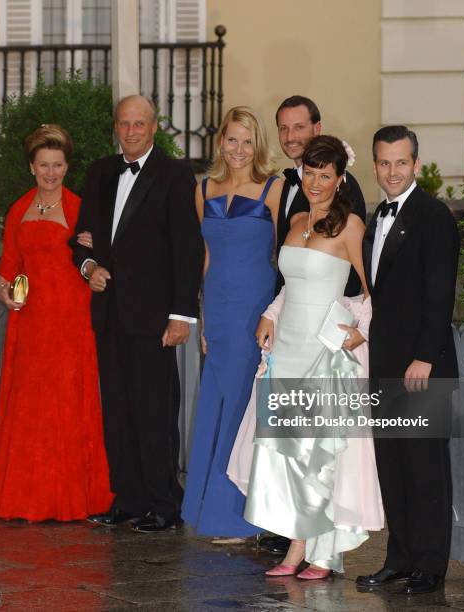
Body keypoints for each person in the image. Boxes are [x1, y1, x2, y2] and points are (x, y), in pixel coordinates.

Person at [230, 135, 383, 579]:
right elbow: (289, 285)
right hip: (287, 349)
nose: (316, 182)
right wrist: (269, 315)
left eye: (326, 175)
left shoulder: (351, 226)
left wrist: (362, 332)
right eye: (310, 173)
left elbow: (373, 290)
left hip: (324, 352)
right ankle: (296, 547)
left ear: (340, 179)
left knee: (318, 452)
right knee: (286, 451)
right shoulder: (295, 219)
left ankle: (323, 553)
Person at [70, 95, 204, 532]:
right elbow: (81, 240)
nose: (130, 131)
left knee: (155, 414)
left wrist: (182, 315)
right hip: (109, 313)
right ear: (116, 127)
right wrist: (88, 267)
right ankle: (127, 501)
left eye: (139, 124)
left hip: (154, 317)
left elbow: (186, 249)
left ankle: (165, 505)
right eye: (124, 124)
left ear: (153, 127)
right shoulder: (100, 172)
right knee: (118, 412)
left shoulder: (175, 175)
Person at [0, 124, 113, 521]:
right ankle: (26, 498)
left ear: (67, 166)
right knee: (30, 409)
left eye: (58, 165)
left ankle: (72, 499)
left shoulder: (80, 209)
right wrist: (4, 290)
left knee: (69, 407)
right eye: (44, 165)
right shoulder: (18, 210)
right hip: (31, 325)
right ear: (31, 167)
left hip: (72, 323)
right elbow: (8, 269)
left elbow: (98, 262)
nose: (51, 173)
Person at [356, 126, 459, 595]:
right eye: (384, 163)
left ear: (416, 164)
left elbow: (440, 296)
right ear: (375, 165)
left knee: (425, 470)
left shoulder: (433, 216)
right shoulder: (378, 218)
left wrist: (423, 358)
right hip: (385, 364)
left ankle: (429, 566)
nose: (392, 171)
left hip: (421, 367)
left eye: (401, 162)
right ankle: (399, 558)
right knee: (393, 466)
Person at [181, 107, 283, 539]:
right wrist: (203, 317)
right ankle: (211, 506)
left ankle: (244, 515)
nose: (239, 150)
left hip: (256, 308)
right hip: (219, 311)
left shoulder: (275, 188)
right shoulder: (202, 188)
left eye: (247, 141)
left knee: (246, 405)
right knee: (218, 402)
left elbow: (284, 256)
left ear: (257, 145)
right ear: (220, 141)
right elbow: (203, 258)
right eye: (231, 139)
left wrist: (277, 314)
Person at [275, 95, 367, 296]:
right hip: (288, 308)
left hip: (331, 313)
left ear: (317, 129)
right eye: (284, 128)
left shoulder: (344, 185)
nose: (290, 137)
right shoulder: (286, 185)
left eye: (299, 127)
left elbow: (355, 265)